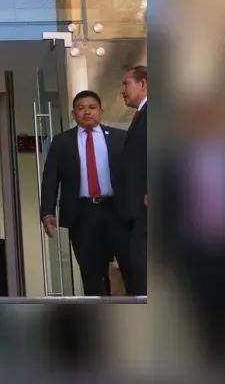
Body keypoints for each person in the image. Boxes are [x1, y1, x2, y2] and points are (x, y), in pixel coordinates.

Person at [39, 90, 133, 296]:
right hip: (82, 214)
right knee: (91, 273)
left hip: (117, 212)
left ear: (101, 111)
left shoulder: (121, 138)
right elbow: (50, 179)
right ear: (73, 114)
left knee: (131, 267)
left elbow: (136, 172)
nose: (87, 112)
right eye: (81, 108)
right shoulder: (62, 142)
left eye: (92, 107)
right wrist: (47, 212)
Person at [119, 65, 148, 296]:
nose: (122, 90)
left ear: (143, 84)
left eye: (126, 83)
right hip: (136, 208)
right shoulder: (141, 114)